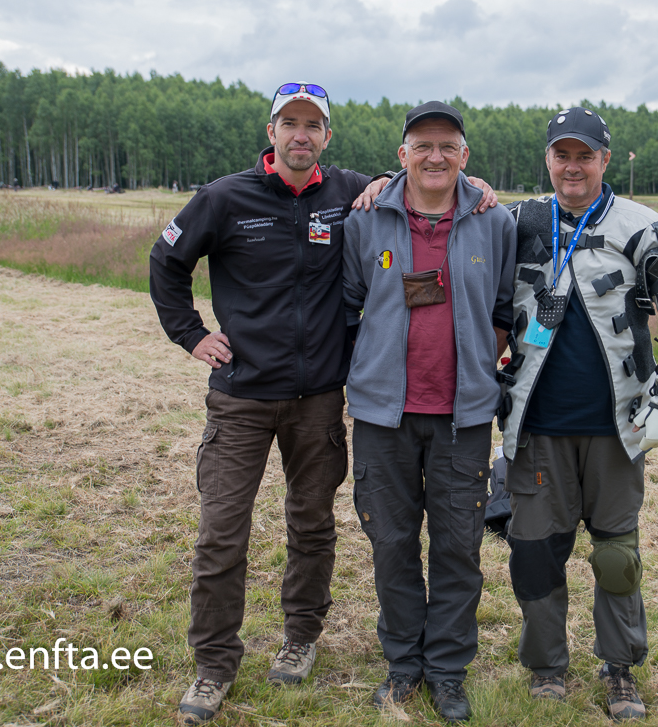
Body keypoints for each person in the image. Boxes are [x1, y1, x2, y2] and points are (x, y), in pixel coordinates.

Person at [149, 83, 498, 726]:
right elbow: (166, 262)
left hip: (319, 401)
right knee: (222, 535)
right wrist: (192, 335)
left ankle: (300, 638)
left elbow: (419, 177)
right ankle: (213, 666)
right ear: (273, 129)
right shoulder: (225, 198)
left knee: (312, 525)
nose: (301, 135)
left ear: (327, 136)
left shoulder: (350, 194)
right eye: (291, 123)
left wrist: (467, 188)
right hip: (243, 398)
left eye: (313, 125)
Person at [499, 107, 658, 721]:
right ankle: (546, 667)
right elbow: (443, 205)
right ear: (548, 160)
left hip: (618, 428)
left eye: (584, 155)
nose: (572, 166)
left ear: (604, 160)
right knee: (535, 552)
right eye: (562, 155)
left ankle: (619, 669)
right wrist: (385, 178)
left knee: (617, 555)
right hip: (536, 427)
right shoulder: (518, 221)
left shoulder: (642, 227)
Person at [343, 102, 516, 722]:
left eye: (448, 146)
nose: (435, 156)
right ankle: (403, 665)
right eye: (423, 145)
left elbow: (504, 311)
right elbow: (348, 305)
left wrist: (471, 371)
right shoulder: (365, 221)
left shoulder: (495, 222)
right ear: (403, 155)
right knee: (390, 544)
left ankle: (446, 670)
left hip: (461, 418)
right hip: (382, 418)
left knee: (456, 547)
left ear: (465, 156)